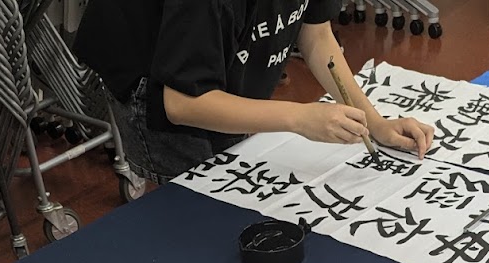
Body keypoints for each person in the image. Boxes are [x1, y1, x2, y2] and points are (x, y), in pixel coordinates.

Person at [74, 0, 434, 184]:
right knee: (195, 210)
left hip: (213, 62)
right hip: (153, 78)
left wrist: (376, 124)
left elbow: (316, 35)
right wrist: (299, 117)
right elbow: (182, 103)